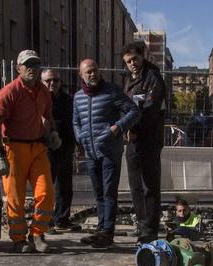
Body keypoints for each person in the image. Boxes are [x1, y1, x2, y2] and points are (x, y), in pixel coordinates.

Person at [0, 49, 61, 253]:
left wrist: (53, 133)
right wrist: (1, 156)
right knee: (15, 197)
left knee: (46, 192)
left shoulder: (44, 91)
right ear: (18, 68)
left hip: (38, 147)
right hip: (14, 149)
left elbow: (48, 115)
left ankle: (37, 234)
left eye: (35, 64)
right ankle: (19, 239)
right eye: (27, 64)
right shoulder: (9, 92)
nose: (32, 68)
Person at [73, 59, 139, 248]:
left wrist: (118, 127)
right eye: (88, 72)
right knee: (98, 193)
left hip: (110, 150)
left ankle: (107, 233)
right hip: (90, 152)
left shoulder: (112, 90)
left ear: (99, 71)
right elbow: (76, 121)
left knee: (109, 192)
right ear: (81, 75)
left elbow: (134, 111)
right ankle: (101, 229)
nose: (92, 74)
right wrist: (80, 137)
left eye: (95, 70)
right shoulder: (78, 97)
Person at [122, 42, 166, 244]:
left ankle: (150, 229)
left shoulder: (153, 78)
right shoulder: (128, 80)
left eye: (135, 59)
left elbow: (150, 109)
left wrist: (134, 130)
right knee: (135, 186)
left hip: (148, 140)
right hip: (132, 141)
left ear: (143, 56)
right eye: (128, 61)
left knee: (150, 186)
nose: (132, 63)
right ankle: (142, 225)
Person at [41, 69, 81, 232]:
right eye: (48, 80)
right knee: (46, 185)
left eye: (56, 81)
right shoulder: (39, 99)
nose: (52, 84)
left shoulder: (67, 99)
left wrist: (77, 145)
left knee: (65, 185)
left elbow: (73, 121)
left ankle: (62, 219)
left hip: (66, 146)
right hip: (47, 147)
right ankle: (46, 221)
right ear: (42, 81)